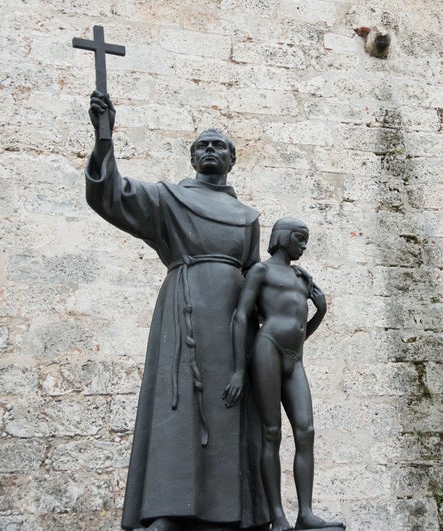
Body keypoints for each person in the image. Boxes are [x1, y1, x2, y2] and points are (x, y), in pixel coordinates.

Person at [84, 91, 268, 531]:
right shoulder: (168, 199)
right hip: (183, 309)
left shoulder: (247, 216)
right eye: (202, 145)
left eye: (218, 145)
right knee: (177, 405)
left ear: (232, 160)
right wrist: (104, 136)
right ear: (191, 158)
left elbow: (255, 273)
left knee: (231, 409)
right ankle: (167, 510)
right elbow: (112, 195)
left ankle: (232, 513)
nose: (209, 150)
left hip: (231, 323)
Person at [231, 218, 345, 531]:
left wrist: (319, 311)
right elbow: (242, 316)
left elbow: (299, 331)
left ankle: (305, 513)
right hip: (267, 349)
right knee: (271, 432)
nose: (304, 246)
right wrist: (240, 369)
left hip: (295, 358)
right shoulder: (261, 271)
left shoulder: (301, 276)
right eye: (301, 238)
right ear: (283, 238)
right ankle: (277, 515)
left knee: (305, 430)